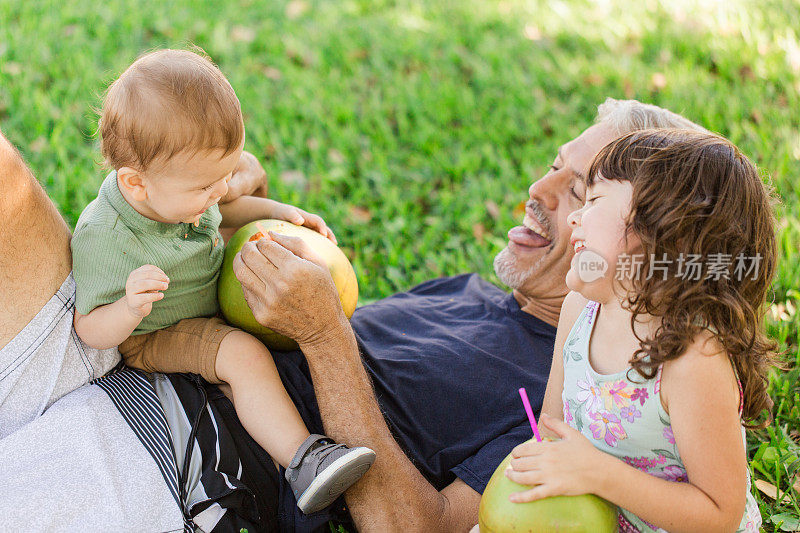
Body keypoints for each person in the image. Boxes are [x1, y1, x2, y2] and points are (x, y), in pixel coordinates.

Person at [0, 98, 706, 532]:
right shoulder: (467, 293)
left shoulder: (555, 391)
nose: (538, 189)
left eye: (578, 189)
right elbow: (318, 357)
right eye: (554, 164)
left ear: (639, 244)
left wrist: (324, 333)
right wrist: (235, 202)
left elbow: (415, 528)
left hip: (168, 448)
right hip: (119, 343)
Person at [71, 48, 375, 514]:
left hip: (204, 297)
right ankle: (304, 461)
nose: (220, 191)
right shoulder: (106, 236)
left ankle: (270, 451)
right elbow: (89, 331)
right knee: (241, 355)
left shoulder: (179, 190)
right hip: (156, 335)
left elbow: (225, 210)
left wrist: (277, 213)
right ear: (135, 184)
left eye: (225, 177)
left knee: (252, 350)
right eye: (204, 187)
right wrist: (129, 307)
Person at [501, 129, 774, 532]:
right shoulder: (580, 310)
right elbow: (552, 426)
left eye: (593, 201)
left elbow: (720, 513)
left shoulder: (693, 361)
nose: (575, 215)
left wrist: (600, 475)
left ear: (663, 235)